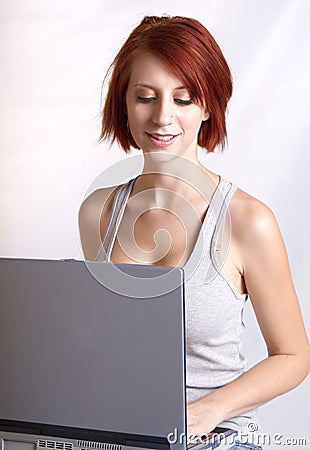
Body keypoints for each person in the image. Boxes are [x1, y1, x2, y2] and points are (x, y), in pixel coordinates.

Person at [79, 15, 310, 450]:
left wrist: (210, 410)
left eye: (183, 99)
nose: (162, 117)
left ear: (208, 106)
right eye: (145, 97)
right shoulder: (99, 211)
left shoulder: (247, 220)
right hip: (124, 431)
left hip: (216, 438)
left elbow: (294, 357)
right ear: (123, 104)